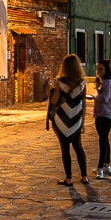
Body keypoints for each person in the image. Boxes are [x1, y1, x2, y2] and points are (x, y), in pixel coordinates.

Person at [48, 54, 89, 186]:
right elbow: (84, 104)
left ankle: (69, 179)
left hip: (61, 121)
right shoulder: (82, 83)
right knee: (78, 148)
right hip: (76, 120)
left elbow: (54, 101)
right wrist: (82, 123)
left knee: (65, 149)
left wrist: (54, 91)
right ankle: (84, 177)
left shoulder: (60, 82)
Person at [93, 59, 111, 179]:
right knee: (104, 140)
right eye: (97, 69)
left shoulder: (108, 83)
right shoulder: (102, 82)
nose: (98, 71)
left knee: (102, 141)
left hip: (106, 116)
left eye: (100, 69)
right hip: (99, 115)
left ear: (106, 70)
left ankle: (100, 168)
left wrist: (97, 89)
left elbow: (105, 98)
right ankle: (107, 164)